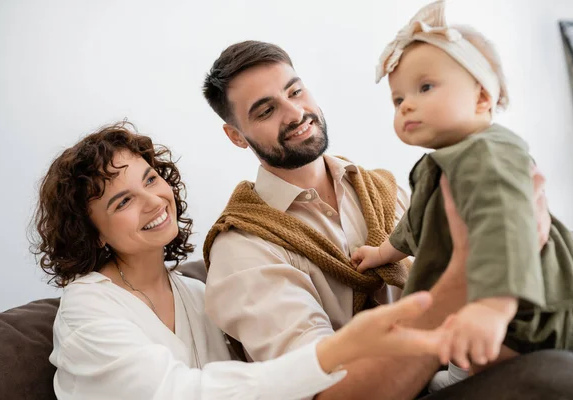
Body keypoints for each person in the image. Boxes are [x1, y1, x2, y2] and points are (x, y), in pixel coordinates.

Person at [201, 39, 559, 398]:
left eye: (295, 91)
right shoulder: (243, 249)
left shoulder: (388, 192)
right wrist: (464, 278)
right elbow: (328, 391)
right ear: (236, 136)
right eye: (266, 111)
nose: (294, 113)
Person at [31, 122, 453, 400]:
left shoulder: (199, 294)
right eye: (123, 200)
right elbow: (176, 393)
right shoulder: (86, 308)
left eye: (150, 179)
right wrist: (331, 354)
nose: (153, 201)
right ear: (92, 232)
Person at [354, 0, 573, 389]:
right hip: (480, 309)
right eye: (398, 99)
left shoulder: (489, 152)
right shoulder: (442, 162)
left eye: (425, 87)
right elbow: (416, 221)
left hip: (524, 309)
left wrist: (493, 306)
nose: (408, 105)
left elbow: (505, 225)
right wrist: (385, 253)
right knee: (469, 355)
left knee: (501, 359)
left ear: (482, 99)